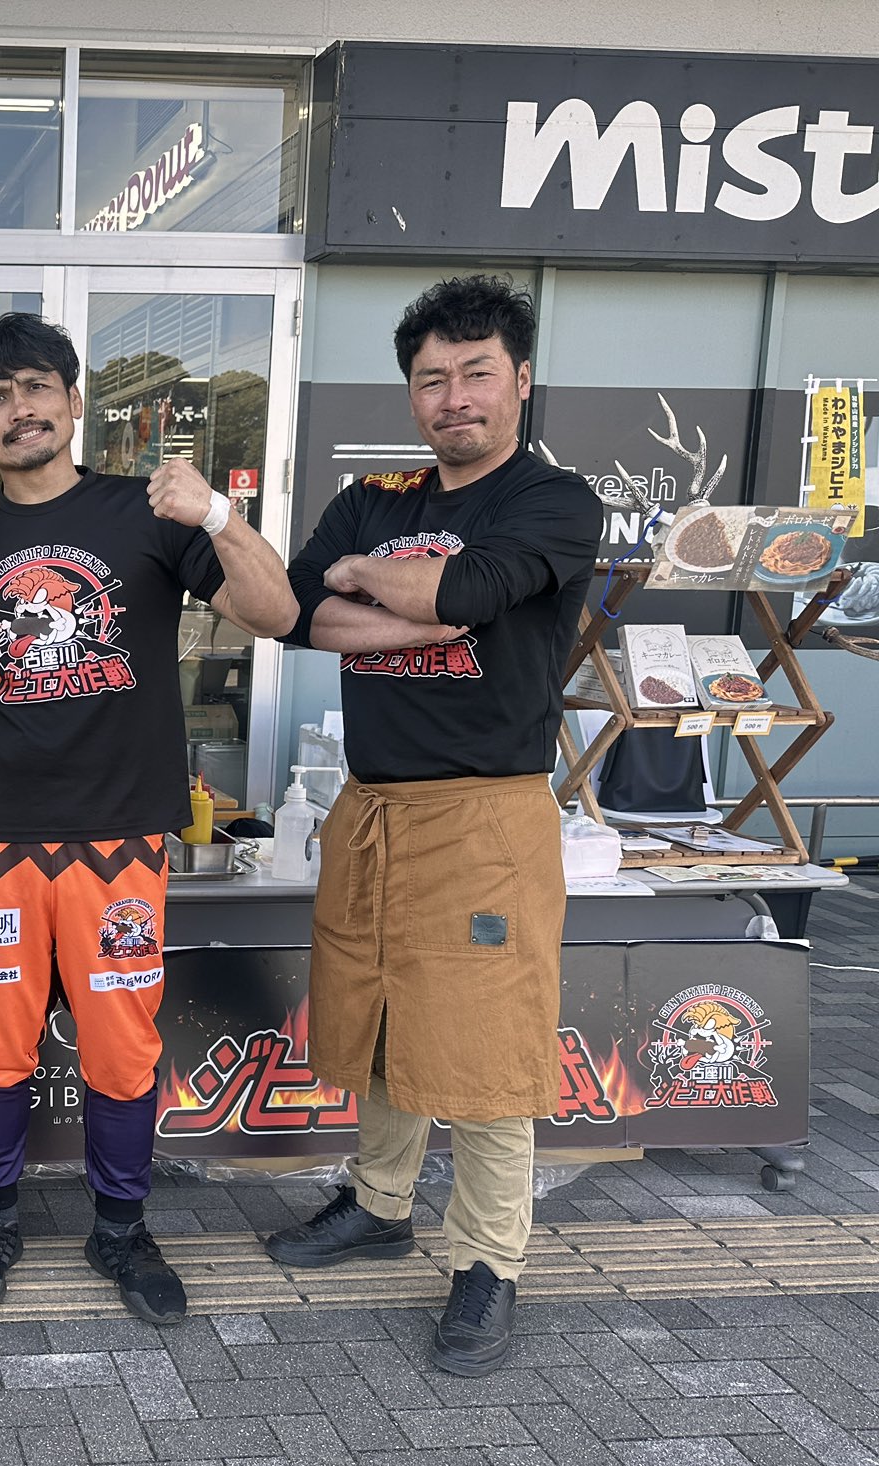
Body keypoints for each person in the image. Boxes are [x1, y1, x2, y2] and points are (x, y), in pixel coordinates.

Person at [0, 313, 297, 1325]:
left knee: (121, 1050)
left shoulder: (148, 515)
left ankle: (119, 1229)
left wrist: (218, 514)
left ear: (74, 402)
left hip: (120, 846)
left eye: (36, 387)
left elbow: (275, 613)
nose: (19, 409)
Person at [261, 276, 602, 1376]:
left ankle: (489, 1263)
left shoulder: (553, 501)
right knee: (374, 1017)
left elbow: (466, 593)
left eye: (475, 373)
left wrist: (371, 580)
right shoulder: (374, 496)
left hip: (485, 814)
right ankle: (378, 1203)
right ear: (410, 392)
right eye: (431, 378)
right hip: (371, 806)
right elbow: (293, 611)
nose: (454, 397)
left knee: (486, 1044)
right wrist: (390, 593)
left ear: (520, 381)